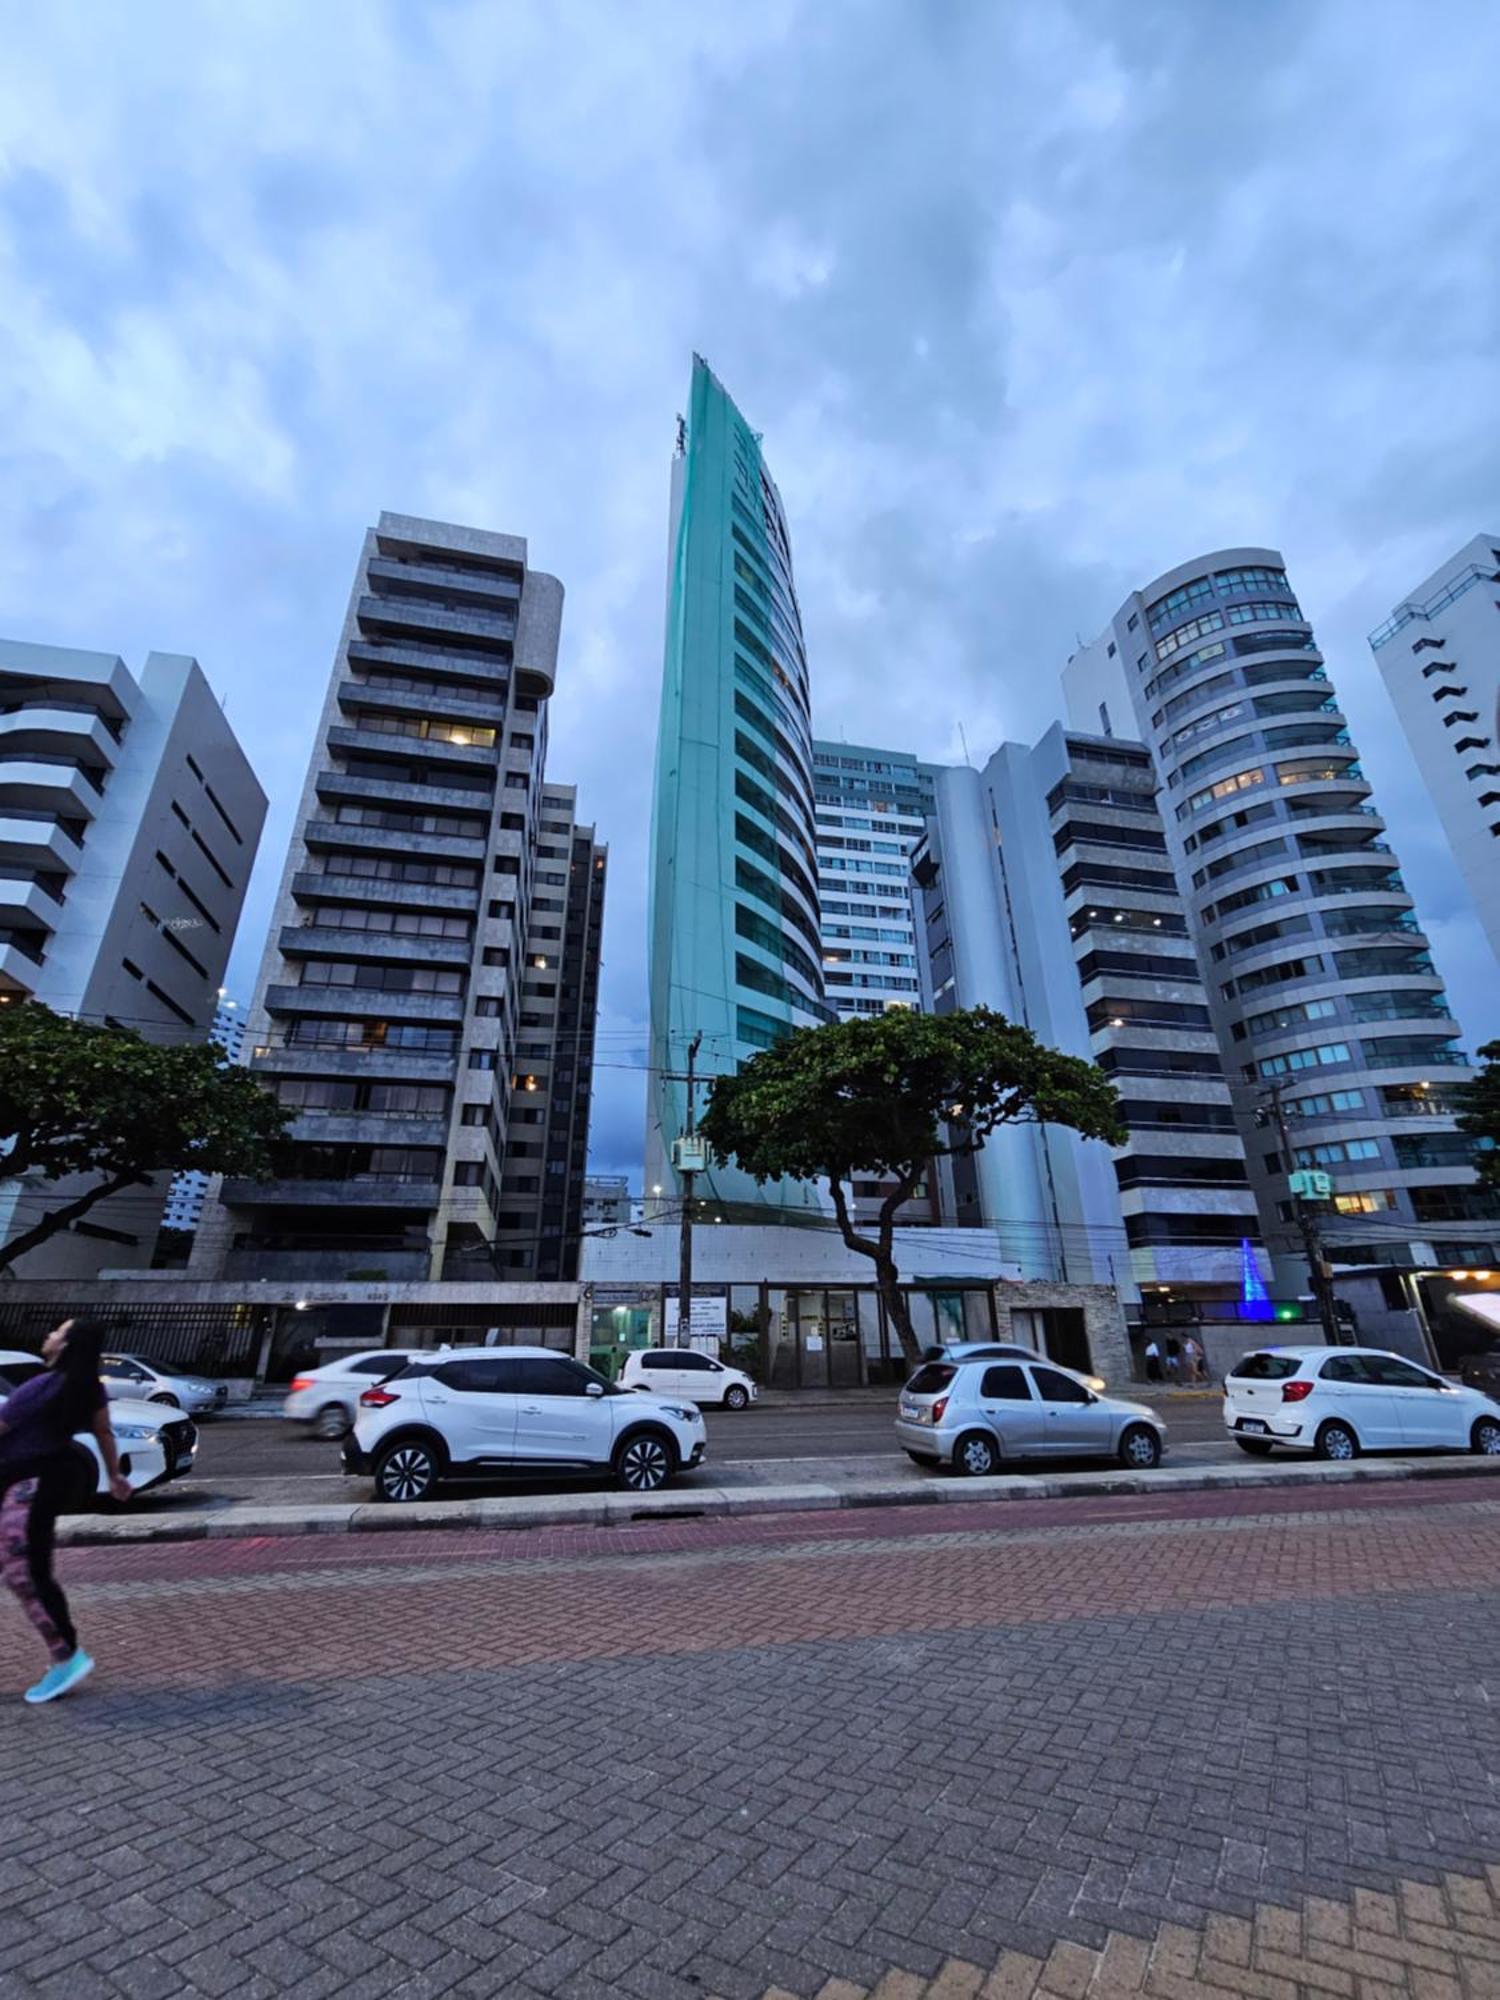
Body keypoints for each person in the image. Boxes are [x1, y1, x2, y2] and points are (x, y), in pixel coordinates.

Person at [0, 1317, 128, 1704]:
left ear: (67, 1345)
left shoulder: (42, 1387)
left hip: (25, 1488)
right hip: (36, 1485)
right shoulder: (87, 1389)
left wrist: (115, 1475)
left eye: (57, 1331)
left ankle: (66, 1656)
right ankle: (66, 1653)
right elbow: (104, 1432)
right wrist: (116, 1476)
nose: (49, 1335)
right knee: (27, 1571)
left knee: (26, 1575)